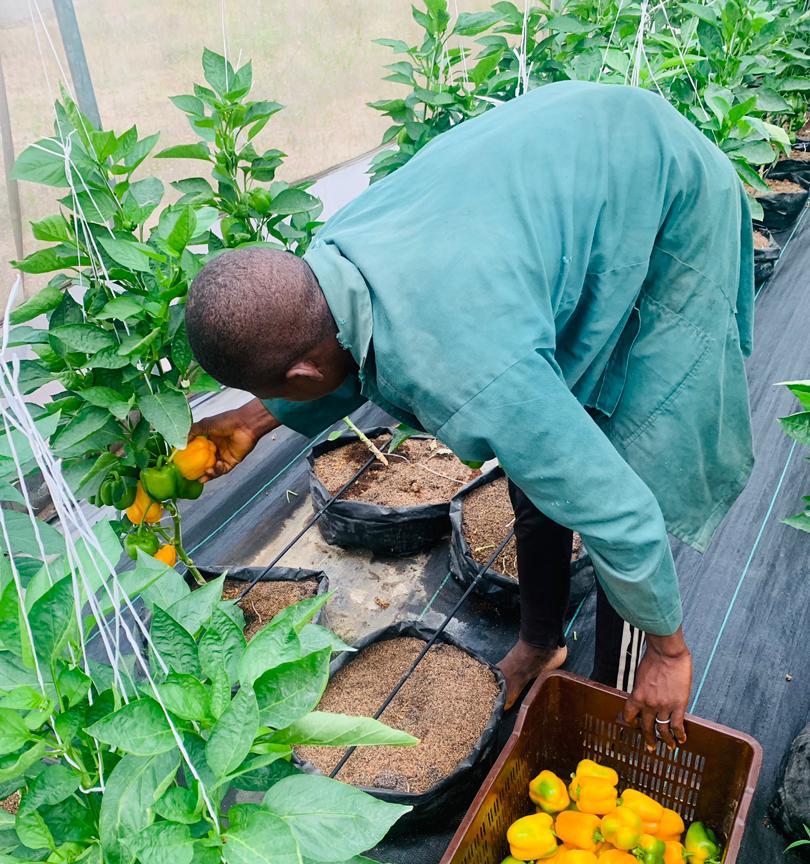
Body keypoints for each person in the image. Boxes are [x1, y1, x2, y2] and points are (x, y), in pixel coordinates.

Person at [184, 81, 754, 752]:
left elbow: (620, 511)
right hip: (574, 157)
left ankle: (622, 686)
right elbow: (335, 357)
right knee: (539, 453)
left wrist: (670, 649)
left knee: (627, 450)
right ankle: (541, 643)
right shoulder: (325, 268)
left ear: (299, 373)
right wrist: (253, 419)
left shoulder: (470, 364)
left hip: (662, 191)